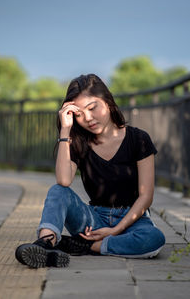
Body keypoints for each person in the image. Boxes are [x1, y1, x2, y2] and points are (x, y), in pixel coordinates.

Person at [15, 74, 165, 268]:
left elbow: (146, 197)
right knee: (57, 191)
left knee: (153, 239)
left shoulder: (139, 139)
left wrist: (116, 230)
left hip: (132, 221)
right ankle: (46, 245)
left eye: (92, 108)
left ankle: (86, 246)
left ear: (108, 102)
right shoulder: (80, 143)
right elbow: (63, 181)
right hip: (93, 221)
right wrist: (65, 132)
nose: (87, 118)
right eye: (78, 114)